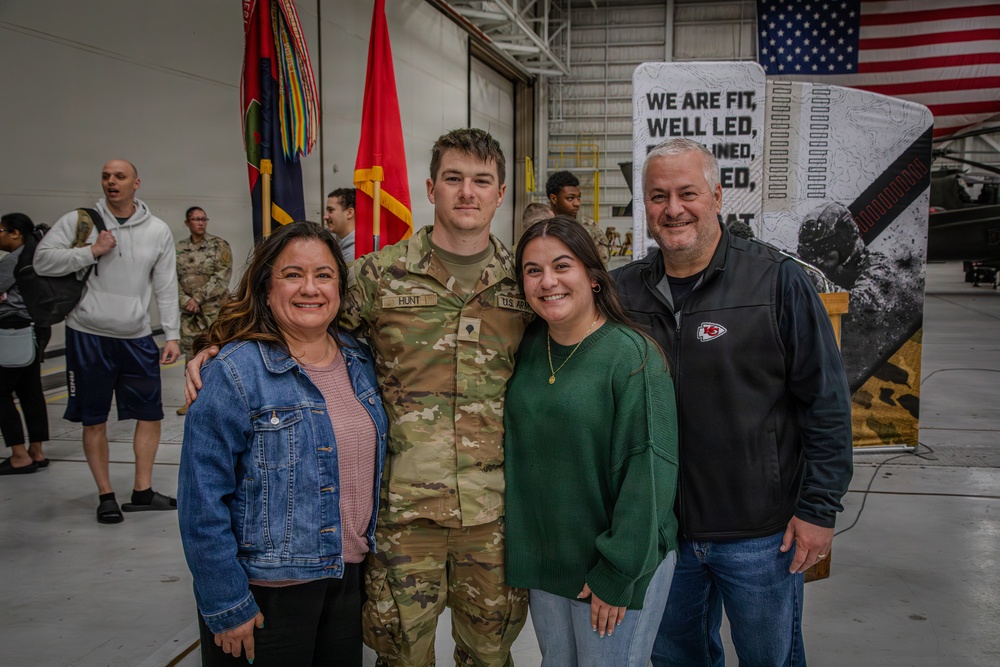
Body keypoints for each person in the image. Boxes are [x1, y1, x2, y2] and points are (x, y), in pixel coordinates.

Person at [187, 129, 533, 666]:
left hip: (494, 517)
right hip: (401, 518)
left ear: (500, 192)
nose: (467, 192)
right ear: (430, 188)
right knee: (401, 660)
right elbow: (303, 321)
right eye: (454, 179)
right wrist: (218, 347)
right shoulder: (378, 275)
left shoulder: (523, 282)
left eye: (481, 181)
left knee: (491, 659)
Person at [612, 138, 853, 666]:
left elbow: (827, 405)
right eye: (657, 196)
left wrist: (818, 508)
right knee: (676, 659)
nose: (673, 209)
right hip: (664, 534)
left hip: (761, 535)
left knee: (771, 659)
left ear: (717, 196)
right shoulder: (620, 294)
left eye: (687, 193)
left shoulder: (777, 281)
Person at [178, 221, 388, 666]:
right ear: (265, 288)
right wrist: (226, 602)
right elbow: (201, 502)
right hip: (266, 595)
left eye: (324, 275)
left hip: (346, 583)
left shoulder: (361, 361)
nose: (310, 288)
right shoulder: (234, 371)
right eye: (293, 274)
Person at [505, 216, 679, 666]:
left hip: (615, 565)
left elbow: (651, 473)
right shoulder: (525, 347)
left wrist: (617, 573)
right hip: (549, 561)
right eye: (533, 270)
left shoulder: (632, 356)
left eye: (562, 266)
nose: (548, 282)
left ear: (593, 276)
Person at [34, 159, 181, 524]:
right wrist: (91, 251)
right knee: (93, 419)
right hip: (88, 335)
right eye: (106, 176)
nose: (111, 182)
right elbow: (41, 262)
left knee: (150, 414)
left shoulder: (158, 230)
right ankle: (105, 495)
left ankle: (143, 490)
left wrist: (173, 334)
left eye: (119, 176)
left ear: (136, 183)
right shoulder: (79, 221)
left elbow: (165, 285)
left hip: (136, 336)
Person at [797, 201, 923, 391]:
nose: (821, 263)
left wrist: (809, 276)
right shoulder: (833, 273)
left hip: (885, 383)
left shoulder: (881, 271)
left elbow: (859, 310)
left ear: (844, 244)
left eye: (826, 255)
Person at [0, 213, 50, 475]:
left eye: (1, 230)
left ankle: (19, 455)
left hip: (11, 331)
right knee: (31, 392)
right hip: (34, 332)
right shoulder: (38, 256)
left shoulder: (13, 260)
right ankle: (37, 451)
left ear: (15, 233)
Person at [175, 206, 232, 416]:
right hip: (190, 314)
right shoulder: (179, 249)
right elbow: (173, 280)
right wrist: (186, 301)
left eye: (203, 219)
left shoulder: (219, 246)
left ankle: (218, 398)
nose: (200, 222)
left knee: (217, 351)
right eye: (195, 219)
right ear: (187, 223)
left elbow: (222, 276)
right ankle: (190, 399)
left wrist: (198, 298)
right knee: (190, 353)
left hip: (214, 311)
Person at [545, 170, 611, 265]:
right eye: (570, 198)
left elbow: (602, 261)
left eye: (578, 197)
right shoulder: (542, 226)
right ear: (554, 199)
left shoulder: (590, 227)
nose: (577, 203)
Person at [324, 188, 357, 261]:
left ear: (349, 213)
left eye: (331, 210)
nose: (325, 216)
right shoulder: (336, 243)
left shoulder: (353, 254)